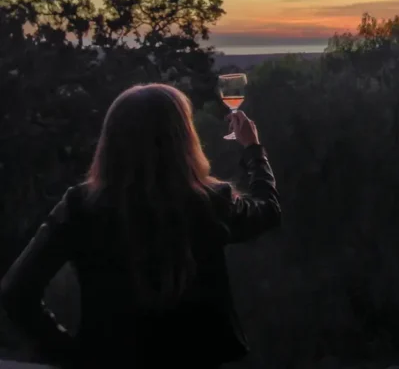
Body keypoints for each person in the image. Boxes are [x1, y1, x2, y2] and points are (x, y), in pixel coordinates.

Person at [0, 84, 281, 368]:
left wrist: (73, 357)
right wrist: (254, 151)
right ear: (183, 139)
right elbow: (268, 211)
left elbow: (16, 293)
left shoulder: (81, 206)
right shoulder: (209, 202)